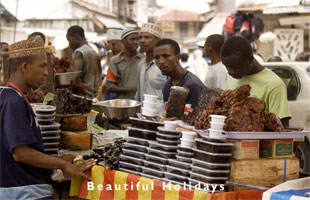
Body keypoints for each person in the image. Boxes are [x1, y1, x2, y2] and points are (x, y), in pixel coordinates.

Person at [0, 36, 96, 200]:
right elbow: (21, 153)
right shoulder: (13, 101)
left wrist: (57, 159)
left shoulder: (6, 95)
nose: (46, 73)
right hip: (26, 191)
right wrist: (63, 164)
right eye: (43, 66)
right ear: (24, 67)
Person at [222, 36, 291, 127]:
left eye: (236, 67)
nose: (230, 72)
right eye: (227, 67)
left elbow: (283, 128)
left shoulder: (274, 85)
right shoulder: (232, 79)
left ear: (250, 59)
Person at [154, 39, 205, 108]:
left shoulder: (193, 85)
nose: (161, 61)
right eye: (157, 58)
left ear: (178, 57)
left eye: (166, 56)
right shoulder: (167, 86)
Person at [136, 23, 168, 116]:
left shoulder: (164, 65)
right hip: (143, 116)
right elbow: (138, 93)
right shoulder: (141, 64)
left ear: (158, 40)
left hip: (160, 117)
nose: (142, 41)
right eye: (140, 37)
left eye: (147, 37)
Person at [106, 28, 143, 99]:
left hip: (140, 103)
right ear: (123, 41)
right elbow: (110, 87)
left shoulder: (143, 59)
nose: (136, 42)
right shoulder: (115, 61)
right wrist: (132, 89)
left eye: (137, 39)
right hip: (122, 103)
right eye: (132, 39)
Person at [66, 25, 102, 97]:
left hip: (82, 96)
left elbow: (73, 77)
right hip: (95, 96)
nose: (69, 45)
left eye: (69, 41)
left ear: (76, 37)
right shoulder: (94, 52)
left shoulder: (79, 52)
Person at [102, 29, 124, 100]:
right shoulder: (110, 57)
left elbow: (113, 67)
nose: (111, 47)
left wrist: (109, 51)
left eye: (113, 44)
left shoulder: (125, 57)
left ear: (123, 43)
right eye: (109, 44)